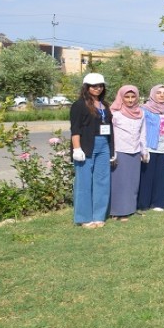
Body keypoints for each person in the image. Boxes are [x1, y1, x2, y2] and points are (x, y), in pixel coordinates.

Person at [70, 73, 115, 228]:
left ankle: (99, 215)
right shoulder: (79, 105)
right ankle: (84, 218)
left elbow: (109, 128)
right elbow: (75, 128)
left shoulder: (105, 105)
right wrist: (77, 148)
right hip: (86, 145)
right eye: (94, 86)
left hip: (104, 145)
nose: (98, 88)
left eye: (100, 85)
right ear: (87, 87)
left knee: (102, 181)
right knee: (84, 182)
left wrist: (111, 149)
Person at [109, 85, 147, 221]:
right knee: (120, 182)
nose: (130, 100)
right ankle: (117, 211)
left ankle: (130, 209)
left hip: (135, 150)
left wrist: (144, 150)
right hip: (120, 150)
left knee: (132, 182)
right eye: (127, 97)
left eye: (133, 97)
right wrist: (112, 152)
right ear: (121, 97)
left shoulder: (140, 113)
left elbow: (142, 132)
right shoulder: (114, 113)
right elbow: (111, 134)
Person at [138, 84, 164, 212]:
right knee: (147, 176)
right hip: (149, 147)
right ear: (153, 94)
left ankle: (159, 202)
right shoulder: (144, 110)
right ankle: (144, 203)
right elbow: (141, 130)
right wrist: (143, 148)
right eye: (158, 92)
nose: (161, 95)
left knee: (162, 176)